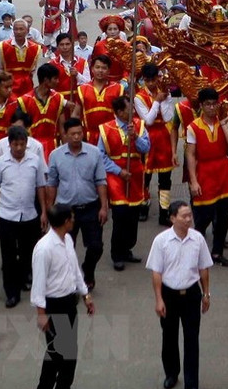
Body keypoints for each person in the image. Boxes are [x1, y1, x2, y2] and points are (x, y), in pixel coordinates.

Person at [145, 200, 213, 389]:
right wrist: (159, 299)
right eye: (183, 216)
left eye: (189, 215)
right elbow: (156, 272)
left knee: (192, 339)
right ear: (172, 218)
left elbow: (203, 268)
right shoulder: (161, 241)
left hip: (191, 294)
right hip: (169, 295)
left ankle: (191, 385)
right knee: (169, 336)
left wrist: (206, 293)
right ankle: (171, 373)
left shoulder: (198, 239)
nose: (188, 219)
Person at [31, 204, 96, 389]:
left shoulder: (67, 239)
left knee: (70, 352)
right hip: (54, 305)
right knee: (56, 355)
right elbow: (39, 284)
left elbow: (74, 270)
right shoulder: (44, 249)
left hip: (69, 303)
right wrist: (41, 314)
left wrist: (86, 295)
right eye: (72, 218)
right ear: (65, 221)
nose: (74, 220)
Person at [0, 125, 48, 308]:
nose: (19, 148)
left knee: (27, 252)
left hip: (29, 214)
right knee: (8, 255)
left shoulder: (35, 161)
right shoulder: (0, 163)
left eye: (22, 144)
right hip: (6, 214)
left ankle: (23, 279)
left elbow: (40, 187)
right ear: (10, 144)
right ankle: (11, 292)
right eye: (16, 144)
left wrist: (44, 211)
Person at [46, 118, 108, 291]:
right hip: (66, 210)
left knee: (96, 246)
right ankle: (70, 280)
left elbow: (101, 181)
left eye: (79, 133)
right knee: (65, 248)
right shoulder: (56, 155)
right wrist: (49, 209)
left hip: (90, 207)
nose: (76, 137)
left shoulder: (94, 153)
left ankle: (88, 270)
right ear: (64, 135)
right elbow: (52, 183)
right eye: (72, 134)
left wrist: (104, 206)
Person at [186, 87, 228, 267]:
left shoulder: (224, 122)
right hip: (205, 172)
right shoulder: (193, 127)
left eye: (213, 104)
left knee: (223, 216)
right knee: (203, 217)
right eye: (207, 104)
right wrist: (193, 181)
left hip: (223, 172)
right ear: (201, 106)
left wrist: (224, 124)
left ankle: (217, 252)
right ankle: (194, 254)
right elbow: (191, 155)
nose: (211, 108)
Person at [99, 95, 149, 271]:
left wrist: (135, 137)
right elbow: (101, 156)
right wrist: (118, 171)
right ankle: (117, 253)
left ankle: (128, 247)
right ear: (120, 112)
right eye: (129, 109)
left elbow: (146, 148)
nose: (132, 112)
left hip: (135, 174)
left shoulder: (139, 126)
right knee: (120, 214)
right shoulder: (106, 129)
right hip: (116, 175)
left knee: (133, 215)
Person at [135, 63, 176, 225]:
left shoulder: (165, 93)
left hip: (164, 137)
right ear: (143, 80)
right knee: (146, 176)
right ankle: (143, 205)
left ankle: (164, 211)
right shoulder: (139, 97)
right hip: (147, 137)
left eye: (154, 79)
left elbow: (167, 117)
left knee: (165, 179)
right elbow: (148, 120)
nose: (151, 83)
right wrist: (157, 102)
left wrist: (164, 100)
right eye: (148, 80)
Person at [76, 55, 123, 144]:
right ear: (92, 69)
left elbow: (123, 114)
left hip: (112, 135)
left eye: (104, 68)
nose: (100, 70)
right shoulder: (82, 89)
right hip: (89, 136)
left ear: (109, 70)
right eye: (97, 67)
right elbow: (76, 114)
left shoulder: (118, 89)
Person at [0, 19, 44, 95]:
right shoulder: (4, 46)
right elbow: (1, 67)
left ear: (27, 30)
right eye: (16, 29)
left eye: (21, 29)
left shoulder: (35, 48)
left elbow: (34, 70)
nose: (18, 32)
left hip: (27, 85)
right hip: (8, 84)